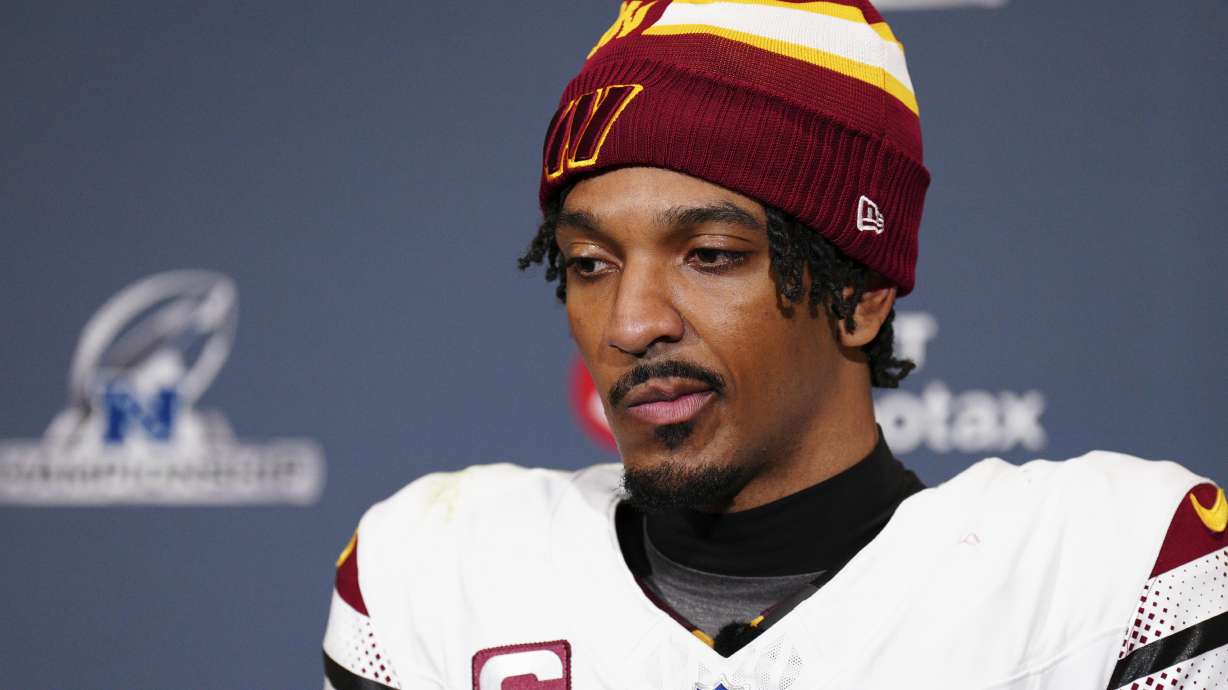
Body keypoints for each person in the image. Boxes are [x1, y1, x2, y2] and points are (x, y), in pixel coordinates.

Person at [321, 1, 1227, 688]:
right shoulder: (431, 576)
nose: (632, 324)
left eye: (710, 255)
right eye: (590, 263)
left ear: (861, 294)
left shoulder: (1112, 575)